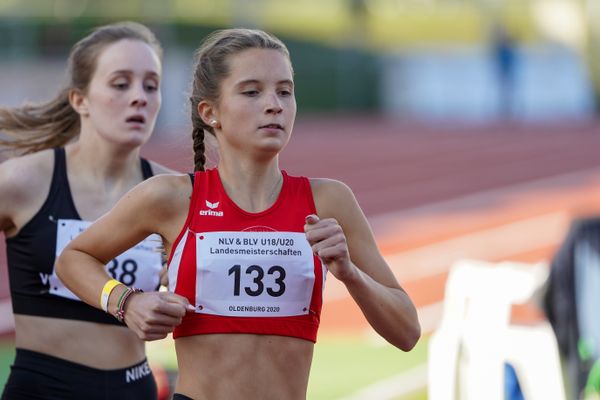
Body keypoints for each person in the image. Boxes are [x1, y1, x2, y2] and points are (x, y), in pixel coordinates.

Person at [56, 28, 421, 399]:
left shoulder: (329, 200)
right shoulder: (172, 197)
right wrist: (126, 302)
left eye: (285, 91)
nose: (274, 104)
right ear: (210, 112)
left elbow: (407, 333)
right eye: (252, 92)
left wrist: (350, 272)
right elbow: (74, 258)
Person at [0, 21, 176, 399]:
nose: (139, 97)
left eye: (151, 85)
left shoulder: (174, 194)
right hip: (41, 390)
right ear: (80, 100)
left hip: (134, 389)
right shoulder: (23, 182)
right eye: (120, 83)